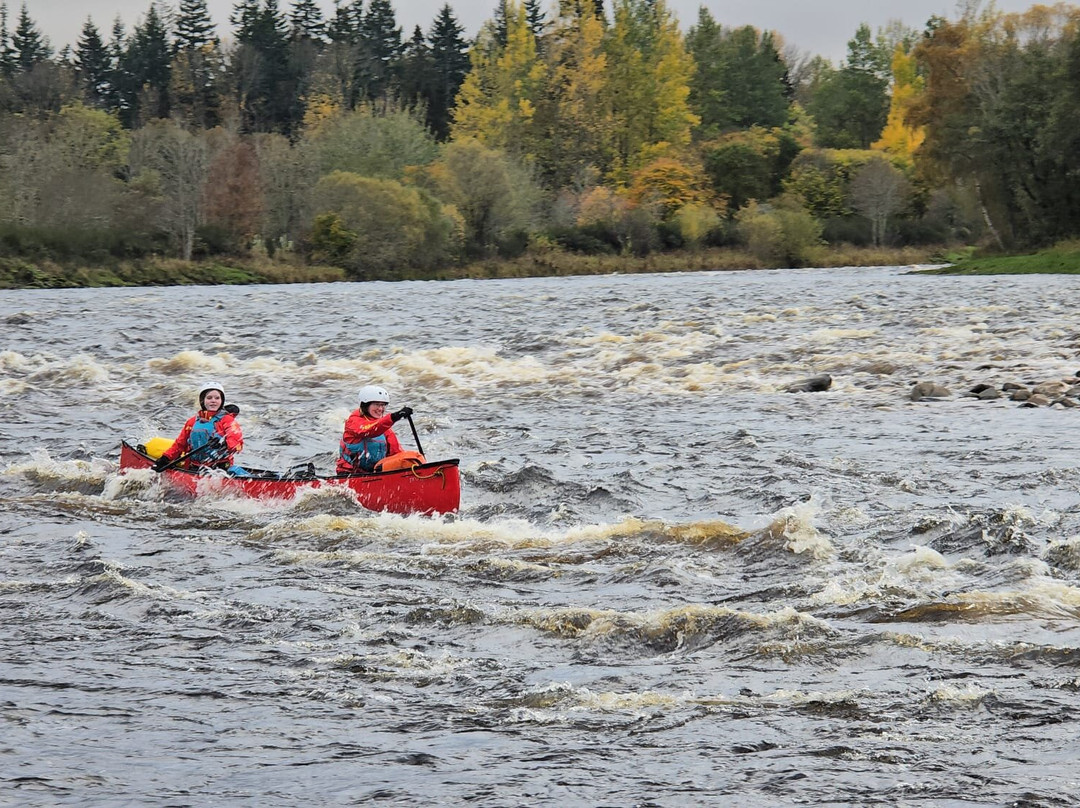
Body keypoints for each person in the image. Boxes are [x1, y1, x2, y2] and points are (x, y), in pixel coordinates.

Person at [153, 381, 246, 474]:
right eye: (209, 398)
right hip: (195, 467)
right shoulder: (192, 422)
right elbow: (180, 445)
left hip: (220, 469)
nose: (213, 400)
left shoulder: (228, 420)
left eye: (217, 398)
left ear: (221, 401)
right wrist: (165, 458)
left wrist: (223, 443)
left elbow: (237, 443)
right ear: (202, 401)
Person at [337, 385, 413, 475]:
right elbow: (370, 429)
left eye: (383, 405)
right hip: (349, 475)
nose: (380, 409)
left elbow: (396, 454)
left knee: (412, 457)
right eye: (377, 404)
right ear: (365, 405)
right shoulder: (353, 422)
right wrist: (395, 416)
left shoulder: (385, 428)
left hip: (375, 473)